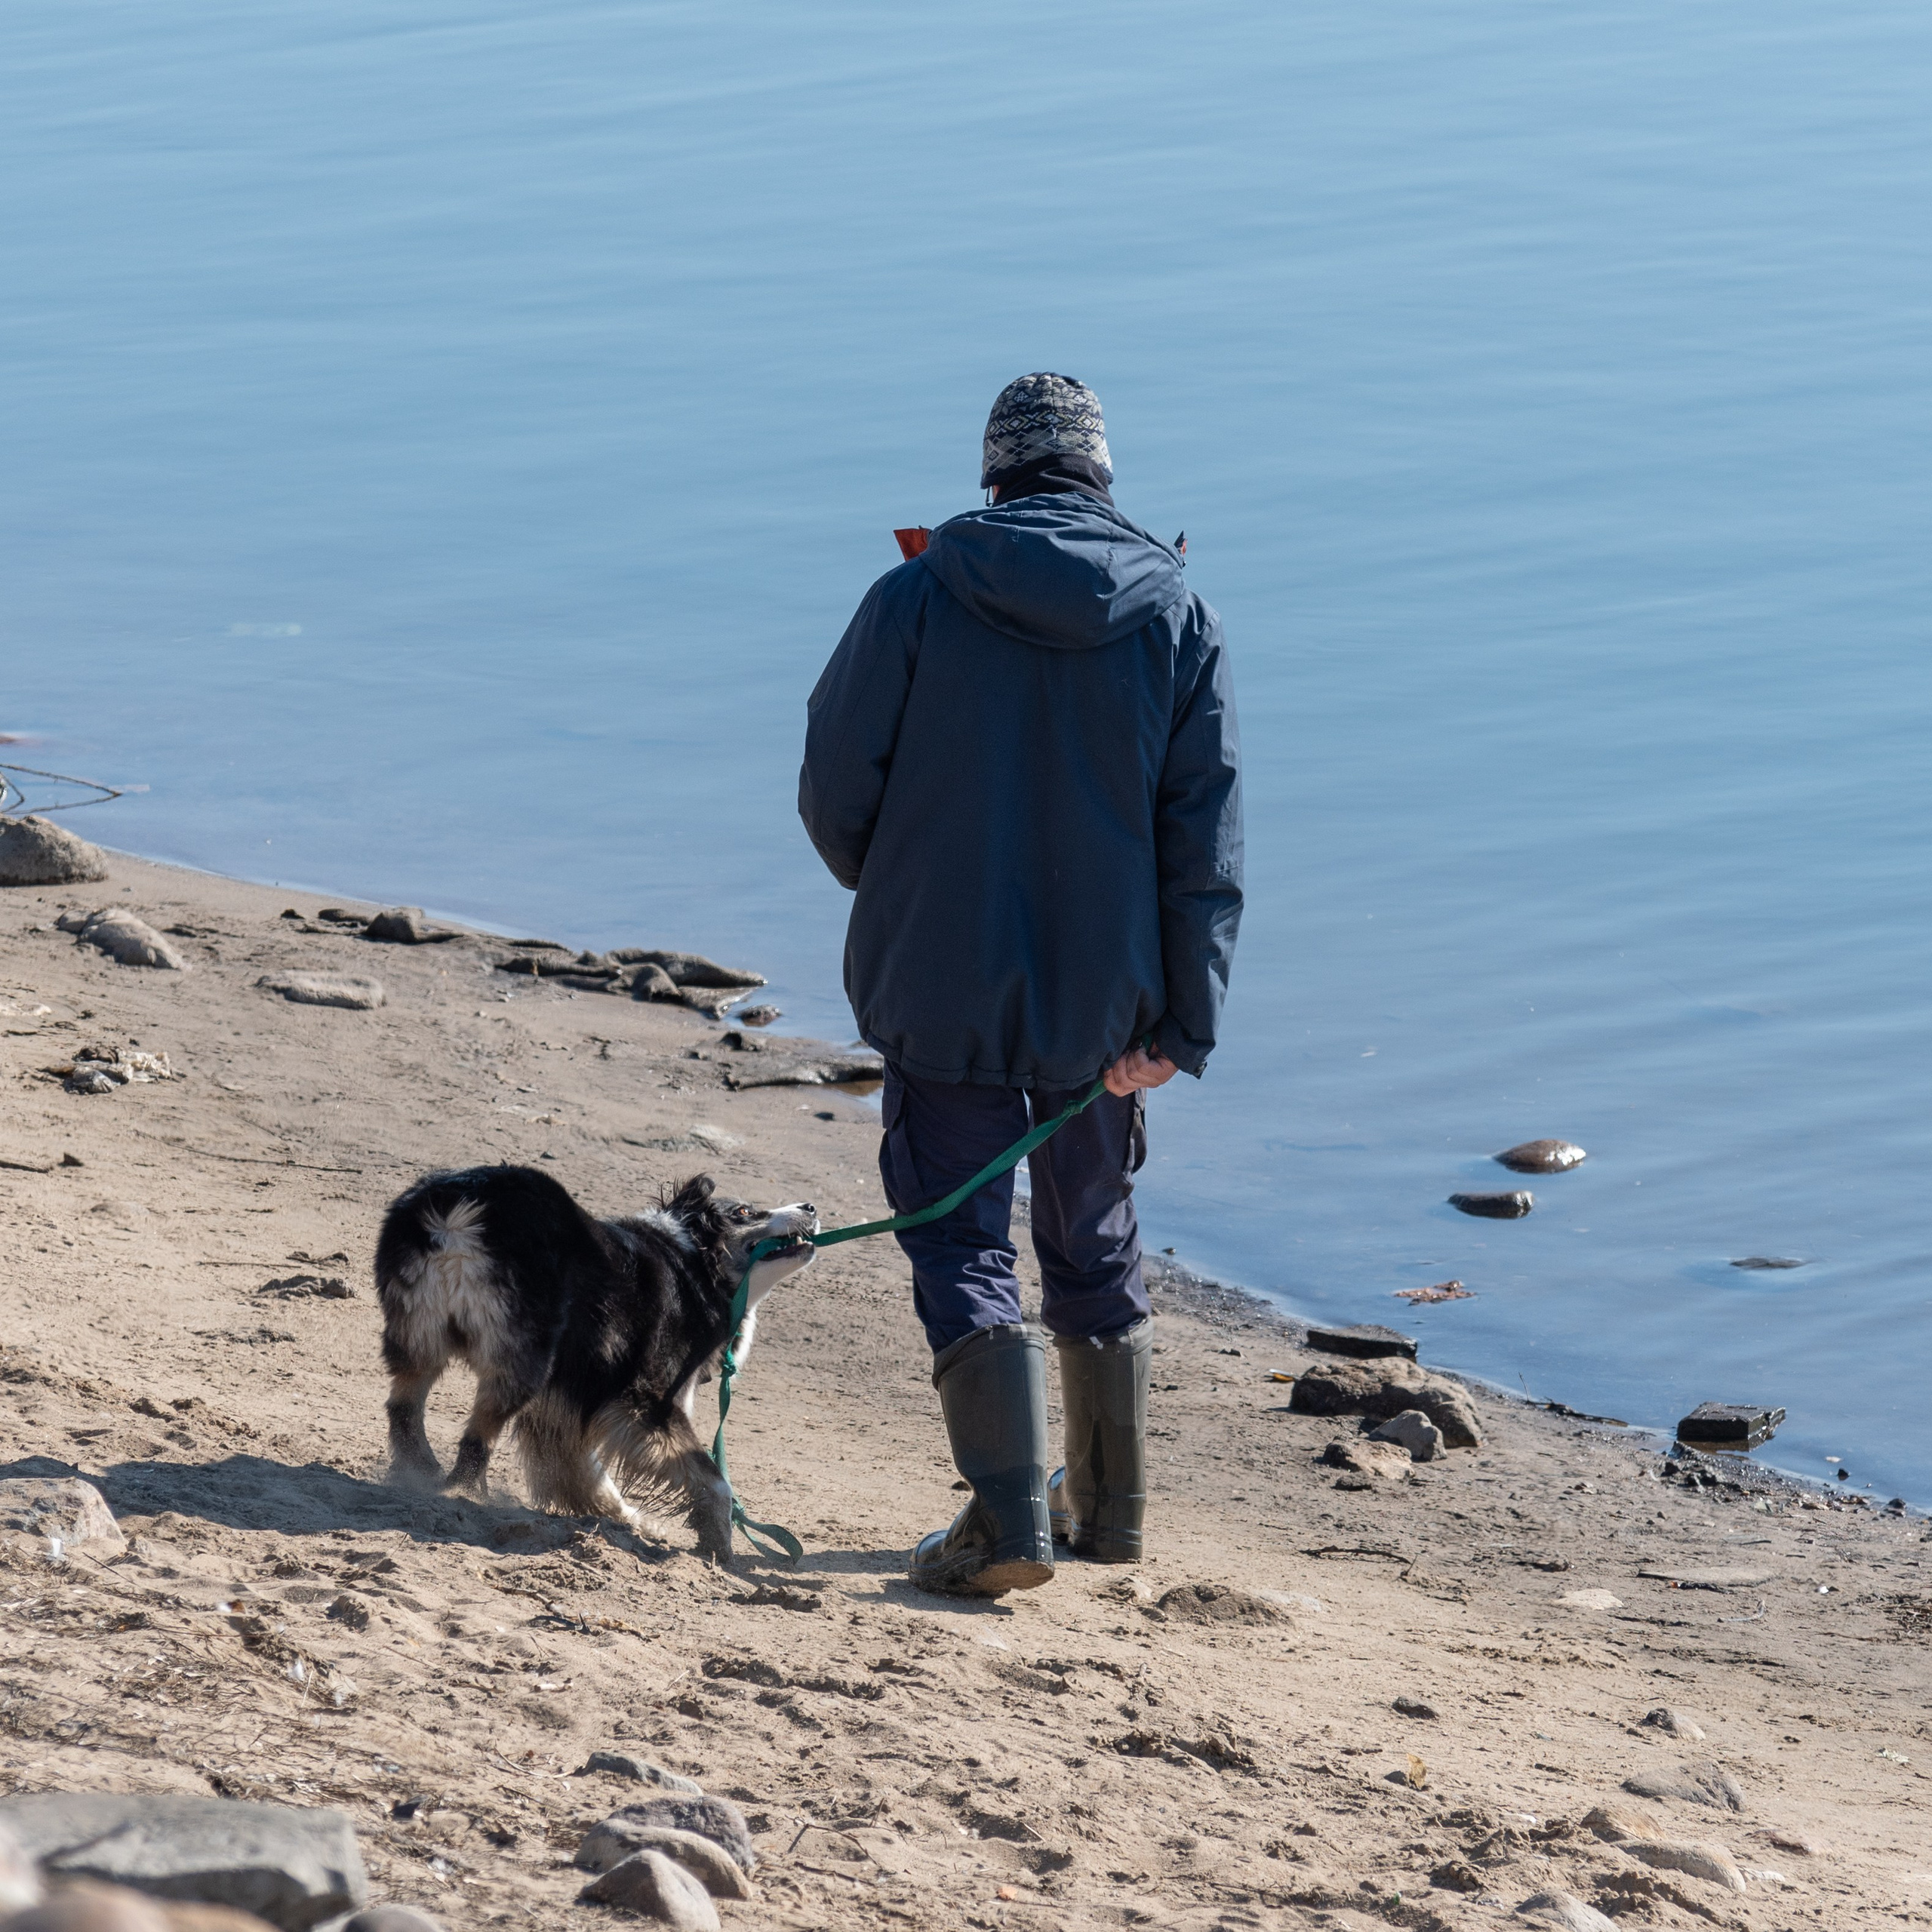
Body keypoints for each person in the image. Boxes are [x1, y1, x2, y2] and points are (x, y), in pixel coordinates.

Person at [798, 372, 1243, 1597]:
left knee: (956, 1232)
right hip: (1110, 1014)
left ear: (994, 476)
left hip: (940, 984)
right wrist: (1183, 1023)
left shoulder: (915, 596)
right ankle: (1108, 1516)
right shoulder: (1177, 615)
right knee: (1094, 1241)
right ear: (1101, 476)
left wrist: (891, 891)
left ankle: (1007, 1521)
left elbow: (835, 790)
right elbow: (1205, 843)